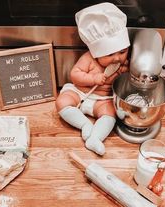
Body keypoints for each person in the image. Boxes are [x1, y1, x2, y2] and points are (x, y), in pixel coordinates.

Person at [55, 2, 130, 155]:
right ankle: (84, 125)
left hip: (102, 100)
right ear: (95, 52)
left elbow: (124, 81)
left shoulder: (121, 64)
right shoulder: (88, 59)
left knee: (110, 114)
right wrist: (93, 79)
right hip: (80, 93)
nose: (117, 58)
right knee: (62, 101)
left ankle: (95, 139)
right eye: (109, 54)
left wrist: (124, 72)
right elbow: (75, 75)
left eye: (122, 52)